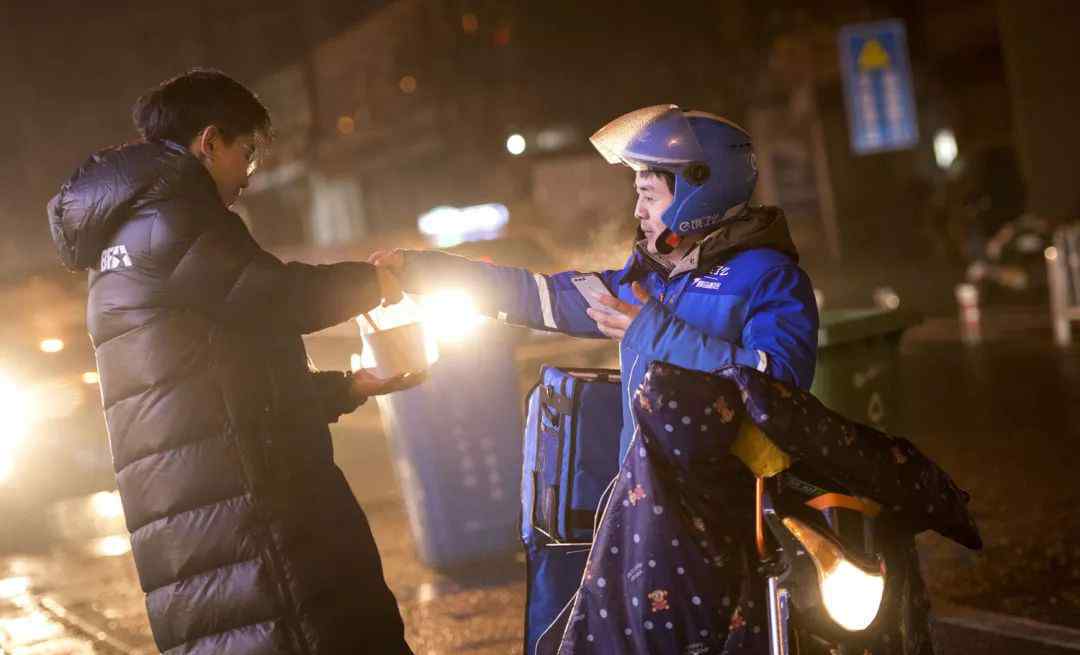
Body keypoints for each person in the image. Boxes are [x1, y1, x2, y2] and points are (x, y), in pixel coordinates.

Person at [47, 69, 419, 654]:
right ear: (210, 140)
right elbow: (276, 297)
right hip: (245, 523)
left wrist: (351, 386)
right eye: (247, 152)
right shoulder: (167, 221)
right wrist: (376, 283)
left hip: (212, 514)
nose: (249, 173)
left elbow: (221, 391)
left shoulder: (130, 235)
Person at [371, 104, 819, 458]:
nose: (638, 212)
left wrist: (658, 335)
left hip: (733, 511)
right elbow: (537, 294)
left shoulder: (769, 278)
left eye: (648, 196)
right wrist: (422, 270)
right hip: (649, 500)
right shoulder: (647, 283)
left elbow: (781, 386)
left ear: (699, 192)